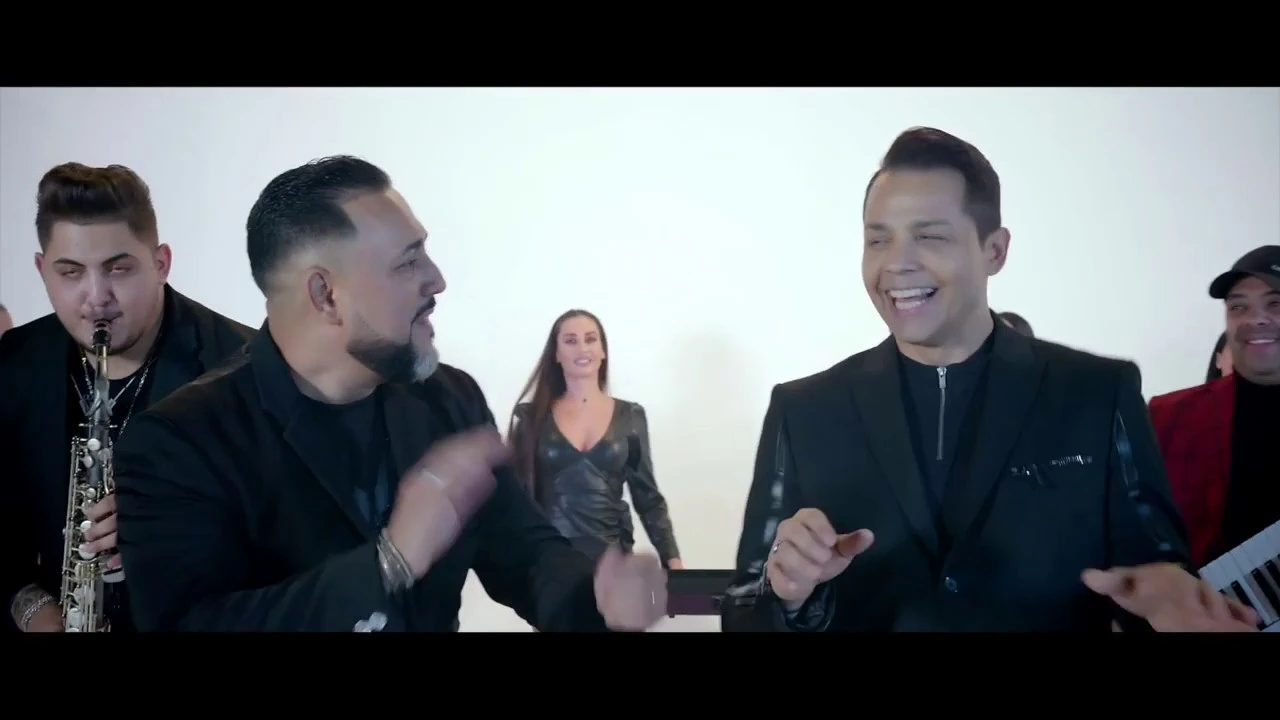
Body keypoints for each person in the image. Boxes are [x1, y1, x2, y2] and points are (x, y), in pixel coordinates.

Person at [720, 127, 1257, 633]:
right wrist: (789, 597)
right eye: (878, 241)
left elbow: (1157, 581)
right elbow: (744, 606)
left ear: (994, 250)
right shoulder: (806, 410)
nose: (897, 264)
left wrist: (1168, 606)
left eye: (929, 236)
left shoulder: (1095, 392)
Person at [112, 155, 668, 632]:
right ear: (325, 295)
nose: (437, 279)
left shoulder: (449, 399)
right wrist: (390, 562)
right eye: (408, 262)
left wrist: (599, 599)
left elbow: (526, 555)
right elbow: (190, 624)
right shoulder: (178, 442)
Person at [0, 162, 255, 633]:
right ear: (41, 270)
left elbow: (290, 548)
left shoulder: (246, 369)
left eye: (118, 269)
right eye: (70, 272)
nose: (96, 297)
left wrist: (182, 526)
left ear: (161, 264)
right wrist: (32, 609)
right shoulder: (12, 364)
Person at [508, 309, 682, 570]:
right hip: (550, 562)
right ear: (556, 354)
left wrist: (673, 561)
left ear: (603, 351)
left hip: (614, 562)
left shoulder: (630, 416)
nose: (582, 348)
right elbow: (516, 497)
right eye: (571, 341)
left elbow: (647, 497)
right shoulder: (532, 418)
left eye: (590, 339)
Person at [1149, 246, 1279, 570]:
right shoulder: (1168, 416)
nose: (1255, 319)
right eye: (1238, 307)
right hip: (1209, 598)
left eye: (1275, 303)